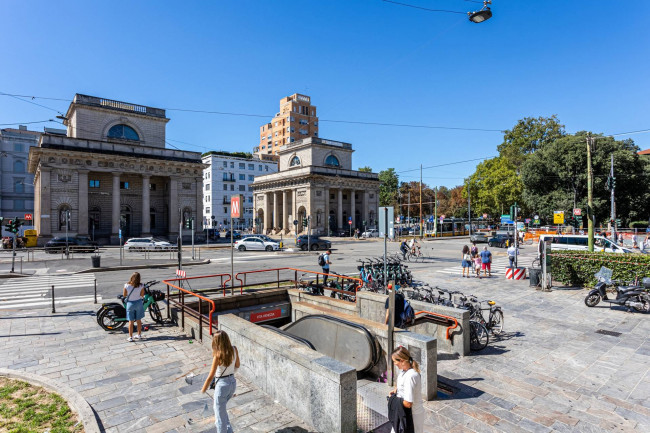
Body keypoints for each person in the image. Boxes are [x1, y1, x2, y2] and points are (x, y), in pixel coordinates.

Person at [202, 330, 240, 433]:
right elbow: (237, 366)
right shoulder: (234, 349)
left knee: (219, 417)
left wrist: (203, 390)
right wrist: (230, 373)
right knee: (221, 409)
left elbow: (210, 376)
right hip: (232, 383)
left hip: (222, 386)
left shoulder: (218, 356)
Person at [388, 346, 423, 433]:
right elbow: (402, 384)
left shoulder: (410, 376)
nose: (394, 364)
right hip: (404, 413)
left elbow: (408, 403)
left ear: (402, 360)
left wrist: (392, 399)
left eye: (395, 361)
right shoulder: (404, 370)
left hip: (412, 416)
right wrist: (396, 390)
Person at [124, 272, 145, 342]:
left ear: (131, 277)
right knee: (139, 320)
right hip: (138, 303)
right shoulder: (141, 285)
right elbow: (142, 295)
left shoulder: (126, 285)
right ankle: (139, 335)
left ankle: (130, 337)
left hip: (130, 304)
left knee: (131, 321)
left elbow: (124, 295)